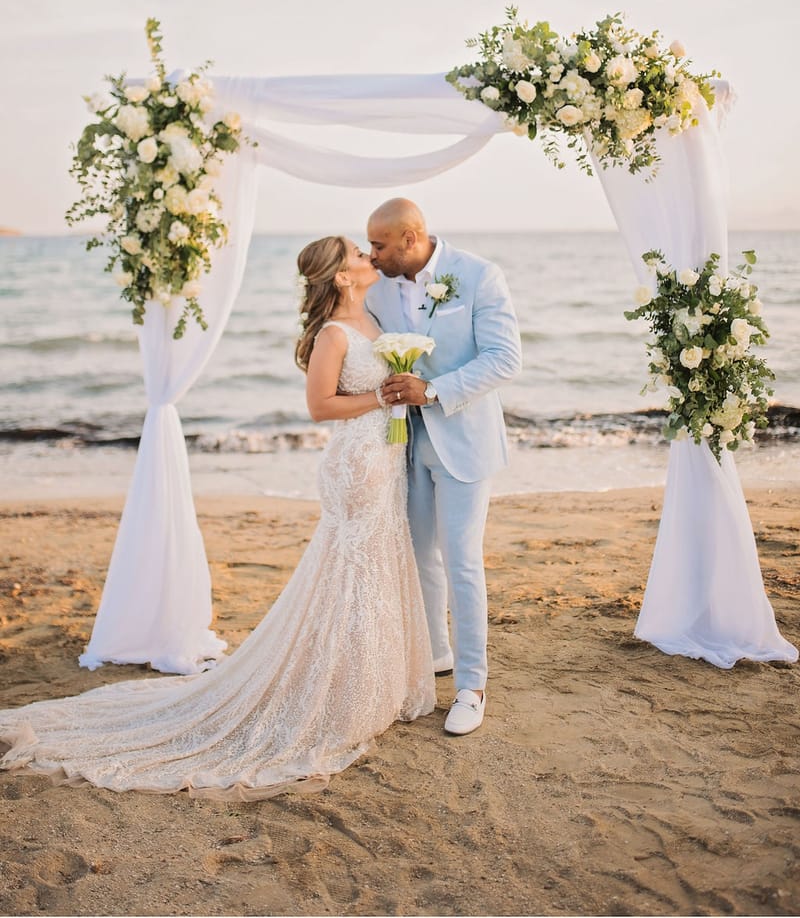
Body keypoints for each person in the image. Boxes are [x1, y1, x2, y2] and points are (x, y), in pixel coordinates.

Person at [0, 236, 434, 798]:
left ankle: (366, 682)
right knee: (354, 575)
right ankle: (341, 694)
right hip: (357, 464)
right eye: (356, 253)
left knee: (373, 571)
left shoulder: (375, 319)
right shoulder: (333, 335)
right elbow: (320, 406)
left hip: (385, 456)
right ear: (342, 277)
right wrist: (383, 399)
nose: (366, 256)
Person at [367, 199, 522, 736]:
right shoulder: (377, 290)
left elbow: (505, 357)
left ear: (412, 238)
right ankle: (435, 654)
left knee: (462, 562)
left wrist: (433, 390)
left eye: (380, 246)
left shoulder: (478, 276)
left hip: (465, 441)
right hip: (404, 444)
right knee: (418, 557)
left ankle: (472, 686)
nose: (372, 255)